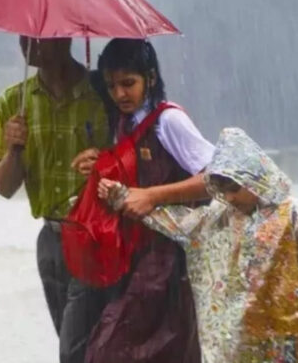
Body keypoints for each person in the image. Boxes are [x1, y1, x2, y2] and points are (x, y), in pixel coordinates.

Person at [100, 127, 298, 363]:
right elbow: (177, 222)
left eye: (234, 188)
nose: (230, 197)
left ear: (253, 177)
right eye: (223, 190)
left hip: (292, 336)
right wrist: (121, 197)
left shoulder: (294, 212)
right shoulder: (220, 217)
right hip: (241, 340)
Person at [70, 38, 215, 363]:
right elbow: (129, 181)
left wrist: (153, 196)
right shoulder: (124, 124)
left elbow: (217, 180)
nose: (120, 94)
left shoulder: (169, 121)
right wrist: (99, 167)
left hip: (171, 263)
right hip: (133, 257)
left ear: (150, 78)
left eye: (128, 83)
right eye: (111, 86)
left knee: (112, 350)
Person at [0, 36, 110, 363]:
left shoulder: (102, 93)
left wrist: (104, 163)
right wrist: (14, 148)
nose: (25, 44)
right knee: (77, 343)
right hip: (51, 241)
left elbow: (131, 161)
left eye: (36, 37)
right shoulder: (14, 101)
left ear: (65, 36)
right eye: (22, 36)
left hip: (95, 237)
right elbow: (3, 186)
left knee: (73, 349)